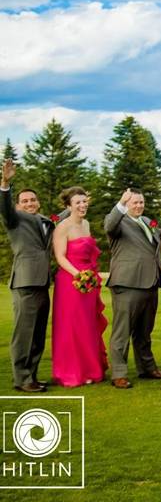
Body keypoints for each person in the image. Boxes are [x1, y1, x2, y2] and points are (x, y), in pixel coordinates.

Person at [1, 159, 60, 392]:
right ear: (18, 205)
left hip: (43, 283)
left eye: (33, 200)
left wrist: (79, 203)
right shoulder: (14, 220)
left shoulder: (45, 221)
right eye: (24, 201)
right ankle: (22, 379)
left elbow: (60, 220)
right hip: (25, 283)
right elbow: (4, 207)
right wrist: (5, 182)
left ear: (39, 202)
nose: (29, 203)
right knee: (24, 334)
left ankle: (32, 376)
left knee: (37, 333)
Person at [104, 187, 161, 389]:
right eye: (134, 203)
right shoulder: (118, 223)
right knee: (122, 331)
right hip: (127, 283)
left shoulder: (148, 222)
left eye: (141, 202)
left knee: (144, 331)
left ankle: (147, 368)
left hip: (150, 282)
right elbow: (109, 225)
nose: (138, 206)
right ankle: (119, 373)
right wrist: (121, 204)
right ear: (126, 204)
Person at [51, 186, 108, 387]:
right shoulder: (62, 227)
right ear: (69, 206)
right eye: (78, 202)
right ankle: (72, 372)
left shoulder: (86, 224)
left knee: (87, 325)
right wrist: (78, 275)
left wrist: (90, 277)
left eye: (84, 201)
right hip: (70, 280)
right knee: (72, 326)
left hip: (88, 280)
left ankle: (89, 370)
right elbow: (60, 257)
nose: (83, 205)